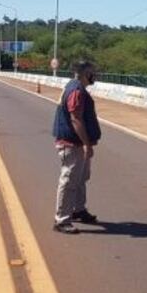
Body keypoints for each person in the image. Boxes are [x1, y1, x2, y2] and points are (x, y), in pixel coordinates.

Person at [52, 61, 102, 234]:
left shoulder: (75, 88)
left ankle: (78, 209)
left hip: (77, 143)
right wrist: (87, 144)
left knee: (81, 178)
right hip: (72, 143)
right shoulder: (76, 91)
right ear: (84, 73)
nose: (94, 75)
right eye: (91, 72)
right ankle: (62, 219)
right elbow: (76, 119)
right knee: (69, 179)